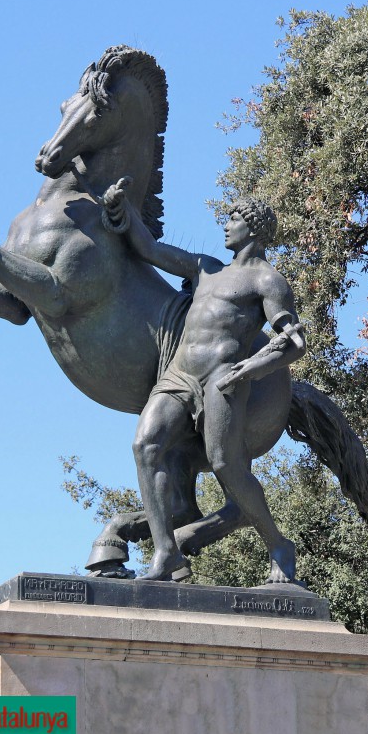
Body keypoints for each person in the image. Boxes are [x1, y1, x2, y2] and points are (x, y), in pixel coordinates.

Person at [102, 185, 306, 582]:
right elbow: (150, 250)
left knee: (227, 466)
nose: (226, 226)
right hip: (179, 375)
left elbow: (294, 343)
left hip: (222, 381)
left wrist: (249, 371)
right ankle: (166, 554)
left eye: (234, 219)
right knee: (145, 446)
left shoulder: (267, 282)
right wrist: (121, 206)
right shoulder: (206, 267)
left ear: (254, 228)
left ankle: (279, 545)